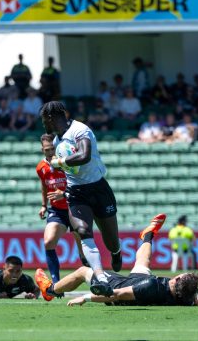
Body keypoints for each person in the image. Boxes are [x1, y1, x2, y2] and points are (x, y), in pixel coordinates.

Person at [35, 214, 198, 306]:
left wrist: (84, 298)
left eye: (181, 275)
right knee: (142, 264)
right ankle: (147, 236)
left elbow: (117, 294)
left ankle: (50, 290)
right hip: (139, 283)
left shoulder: (151, 286)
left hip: (120, 286)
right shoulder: (180, 298)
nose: (178, 275)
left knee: (83, 271)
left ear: (177, 281)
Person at [40, 101, 122, 297]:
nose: (43, 123)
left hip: (98, 188)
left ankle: (116, 251)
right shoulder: (58, 142)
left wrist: (59, 162)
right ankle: (100, 276)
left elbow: (84, 156)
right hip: (76, 191)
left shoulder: (79, 130)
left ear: (51, 117)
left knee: (110, 240)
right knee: (83, 230)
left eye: (44, 119)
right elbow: (68, 166)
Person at [36, 134, 88, 283]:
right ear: (42, 150)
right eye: (47, 149)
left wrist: (64, 194)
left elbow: (79, 184)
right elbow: (44, 185)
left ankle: (94, 279)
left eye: (53, 148)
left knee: (83, 246)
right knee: (48, 242)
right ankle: (56, 284)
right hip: (57, 211)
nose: (51, 152)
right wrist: (44, 205)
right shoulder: (41, 167)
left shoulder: (67, 163)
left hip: (74, 206)